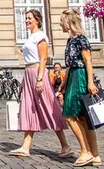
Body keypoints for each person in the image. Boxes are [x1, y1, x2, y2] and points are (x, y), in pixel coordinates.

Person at [10, 10, 72, 159]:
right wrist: (25, 80)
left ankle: (65, 146)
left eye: (29, 18)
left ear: (37, 20)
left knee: (48, 107)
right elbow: (28, 62)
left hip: (38, 73)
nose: (26, 21)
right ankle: (25, 147)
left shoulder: (41, 36)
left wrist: (39, 79)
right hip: (29, 73)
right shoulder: (31, 37)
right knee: (30, 109)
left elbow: (43, 59)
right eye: (26, 18)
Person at [57, 9, 101, 167]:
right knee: (83, 118)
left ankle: (85, 151)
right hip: (73, 76)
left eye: (62, 21)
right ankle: (95, 155)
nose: (60, 24)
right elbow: (69, 66)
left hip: (80, 77)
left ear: (68, 22)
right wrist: (63, 84)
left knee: (69, 114)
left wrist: (90, 82)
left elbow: (88, 61)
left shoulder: (81, 39)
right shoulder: (70, 41)